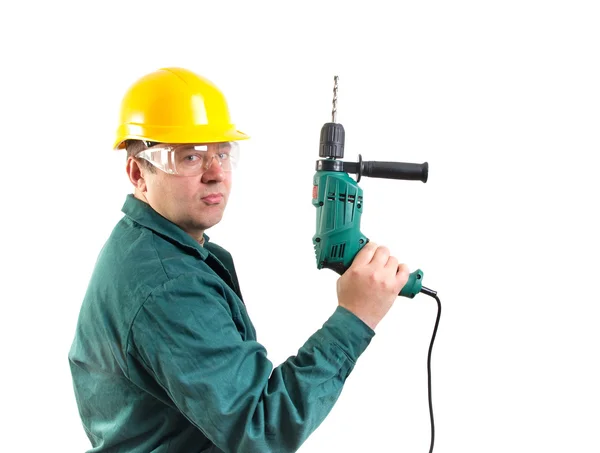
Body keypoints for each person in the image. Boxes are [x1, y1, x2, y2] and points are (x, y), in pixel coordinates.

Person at [68, 67, 410, 453]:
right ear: (137, 173)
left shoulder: (154, 249)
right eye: (190, 157)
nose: (216, 173)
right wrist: (356, 317)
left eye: (222, 153)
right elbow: (261, 431)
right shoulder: (168, 286)